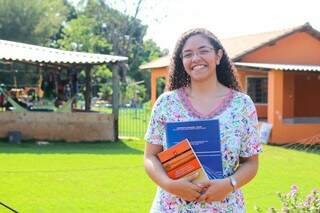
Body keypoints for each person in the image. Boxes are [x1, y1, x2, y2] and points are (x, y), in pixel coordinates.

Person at [144, 28, 262, 212]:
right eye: (188, 54)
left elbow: (251, 162)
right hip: (172, 207)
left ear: (218, 55)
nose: (196, 58)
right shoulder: (166, 104)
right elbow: (150, 156)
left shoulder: (242, 105)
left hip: (225, 206)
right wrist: (169, 185)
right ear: (181, 61)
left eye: (203, 50)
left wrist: (229, 184)